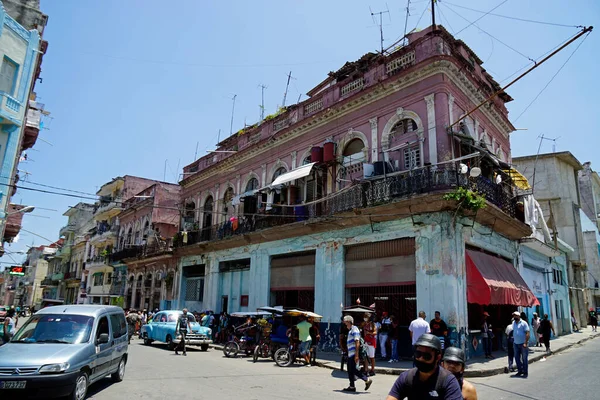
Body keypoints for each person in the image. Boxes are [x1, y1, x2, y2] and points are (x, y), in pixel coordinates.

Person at [386, 334, 462, 400]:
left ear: (438, 358)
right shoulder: (406, 377)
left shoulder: (448, 381)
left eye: (426, 356)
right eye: (418, 354)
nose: (421, 358)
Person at [341, 315, 372, 392]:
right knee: (350, 370)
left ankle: (366, 379)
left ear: (348, 321)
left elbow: (357, 342)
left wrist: (356, 355)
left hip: (354, 354)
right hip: (350, 354)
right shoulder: (350, 330)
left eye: (345, 322)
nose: (344, 323)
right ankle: (352, 386)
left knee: (353, 370)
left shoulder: (354, 329)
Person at [512, 311, 530, 378]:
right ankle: (520, 371)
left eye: (516, 315)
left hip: (523, 344)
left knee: (524, 358)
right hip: (516, 343)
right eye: (514, 316)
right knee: (517, 358)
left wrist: (525, 342)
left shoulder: (524, 323)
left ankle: (525, 372)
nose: (514, 317)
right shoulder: (513, 323)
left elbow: (527, 333)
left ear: (519, 316)